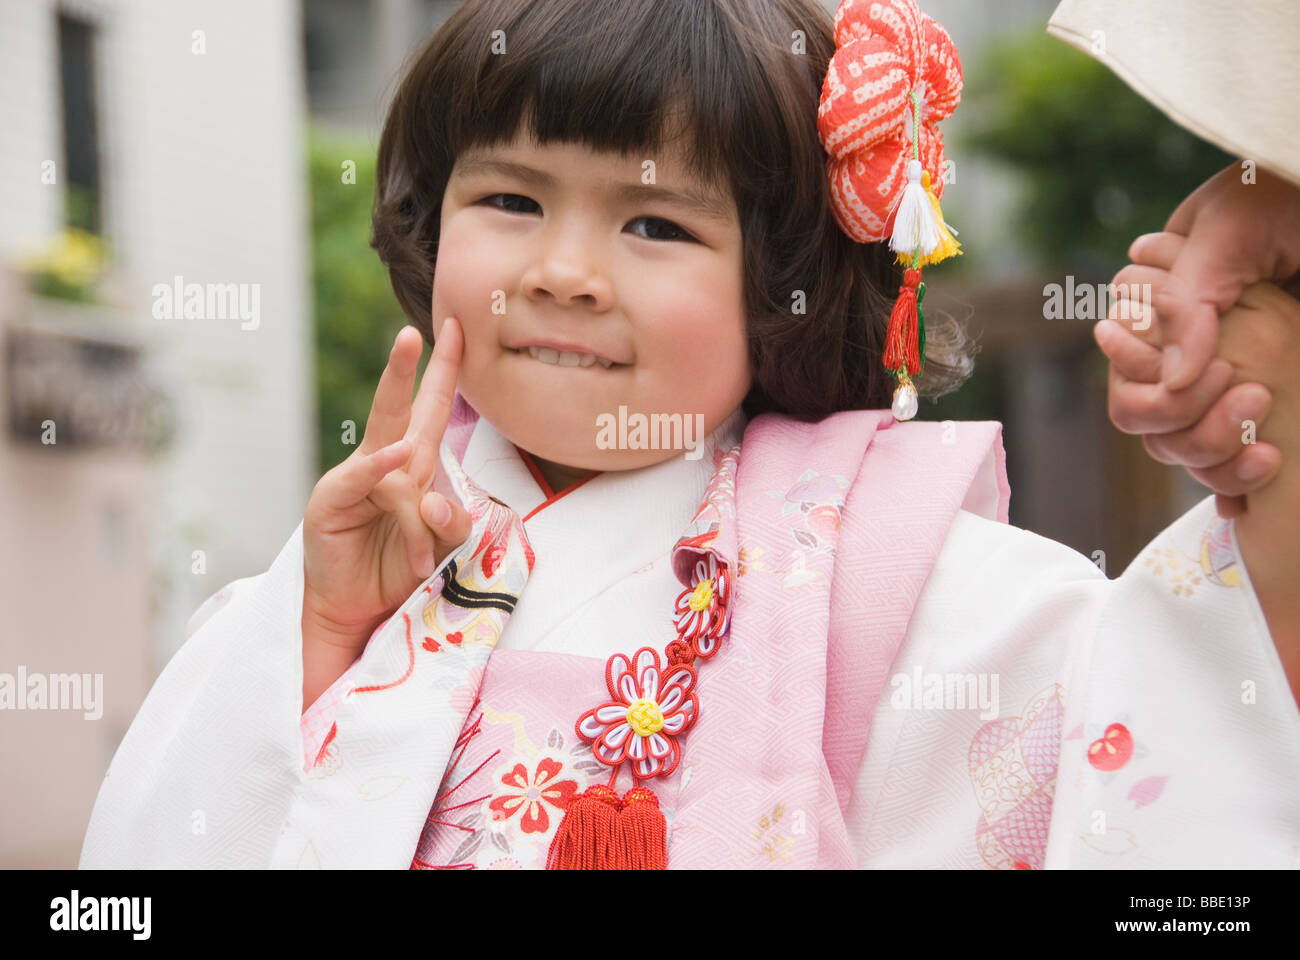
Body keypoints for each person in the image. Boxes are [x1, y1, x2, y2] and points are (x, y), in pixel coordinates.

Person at [80, 0, 1300, 870]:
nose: (562, 271)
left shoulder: (911, 574)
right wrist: (324, 642)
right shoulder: (348, 566)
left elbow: (1173, 736)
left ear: (785, 282)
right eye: (508, 200)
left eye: (655, 225)